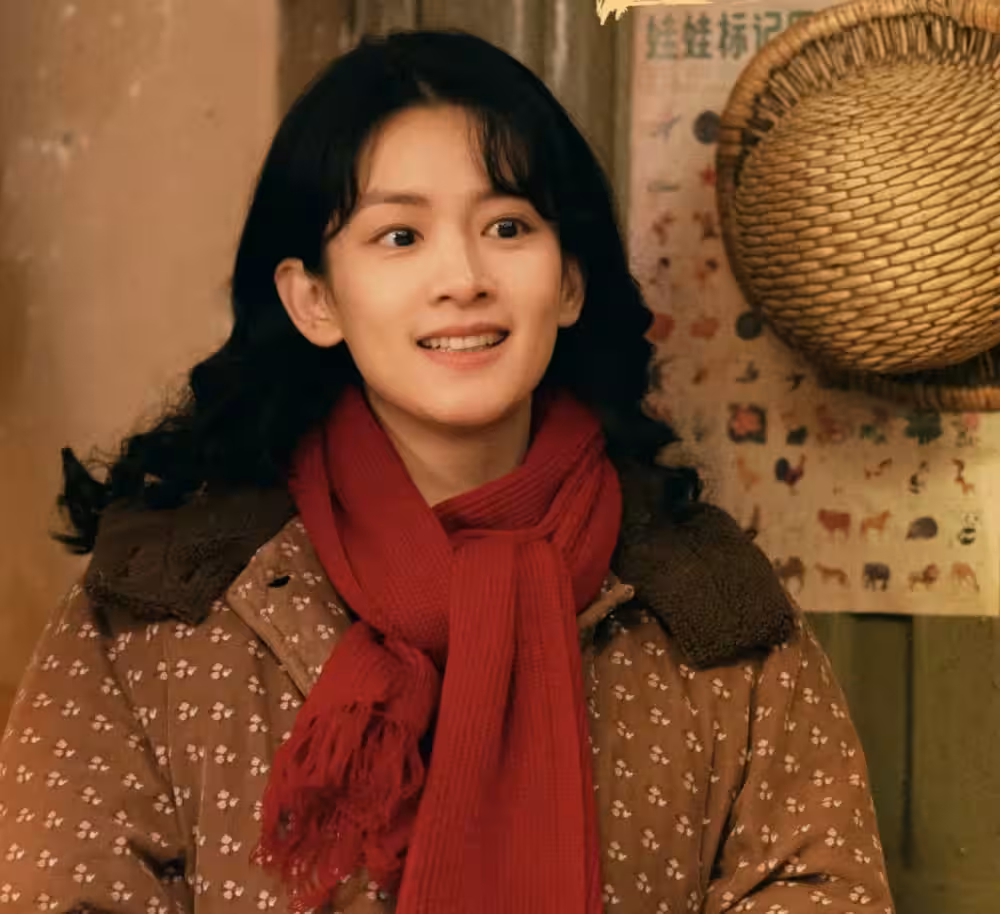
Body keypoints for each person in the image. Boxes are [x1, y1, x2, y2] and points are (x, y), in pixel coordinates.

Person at [0, 29, 894, 914]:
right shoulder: (161, 611)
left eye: (508, 227)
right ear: (315, 299)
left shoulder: (714, 612)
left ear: (569, 282)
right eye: (400, 236)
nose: (463, 278)